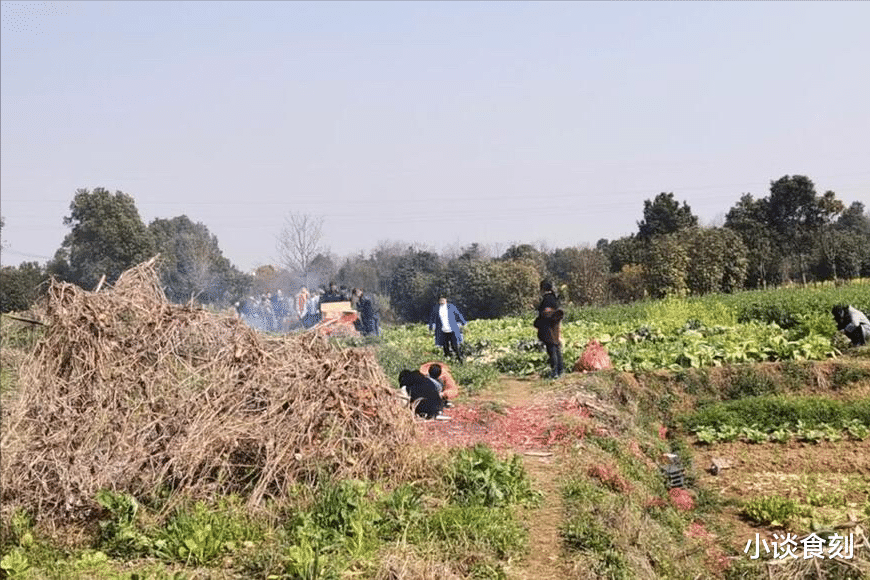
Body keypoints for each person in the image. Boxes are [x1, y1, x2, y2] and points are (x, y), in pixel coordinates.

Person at [534, 280, 564, 378]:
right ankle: (560, 370)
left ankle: (554, 372)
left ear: (543, 288)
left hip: (548, 327)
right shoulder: (553, 298)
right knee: (556, 347)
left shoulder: (547, 299)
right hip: (554, 326)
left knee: (552, 349)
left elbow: (546, 314)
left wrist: (537, 322)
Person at [428, 296, 467, 363]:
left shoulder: (451, 307)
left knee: (455, 346)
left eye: (443, 299)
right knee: (445, 347)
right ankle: (449, 361)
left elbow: (458, 314)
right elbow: (432, 317)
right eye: (441, 300)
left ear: (446, 300)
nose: (442, 301)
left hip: (452, 330)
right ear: (439, 301)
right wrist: (430, 326)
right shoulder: (436, 308)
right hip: (442, 331)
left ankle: (460, 360)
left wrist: (463, 322)